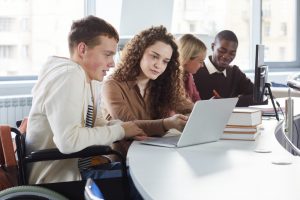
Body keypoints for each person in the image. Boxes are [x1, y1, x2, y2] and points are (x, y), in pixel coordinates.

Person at [25, 15, 146, 184]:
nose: (112, 63)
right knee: (143, 179)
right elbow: (68, 141)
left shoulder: (90, 80)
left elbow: (98, 126)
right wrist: (122, 131)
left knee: (140, 172)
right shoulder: (68, 75)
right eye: (107, 55)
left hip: (81, 171)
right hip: (60, 180)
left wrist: (126, 128)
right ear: (82, 49)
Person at [101, 26, 193, 155]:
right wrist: (167, 124)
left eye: (165, 61)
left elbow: (189, 107)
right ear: (139, 52)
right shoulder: (112, 85)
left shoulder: (163, 85)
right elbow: (130, 126)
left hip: (157, 154)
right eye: (154, 56)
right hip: (125, 161)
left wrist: (201, 111)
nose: (158, 65)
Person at [193, 30, 254, 107]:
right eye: (222, 51)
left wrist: (227, 103)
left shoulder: (234, 72)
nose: (226, 56)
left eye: (232, 53)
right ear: (212, 47)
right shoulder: (195, 70)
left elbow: (260, 97)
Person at [177, 34, 207, 102]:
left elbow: (197, 100)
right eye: (200, 61)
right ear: (187, 58)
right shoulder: (168, 78)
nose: (202, 65)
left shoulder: (189, 76)